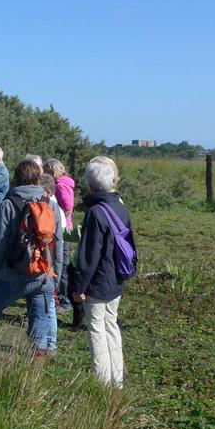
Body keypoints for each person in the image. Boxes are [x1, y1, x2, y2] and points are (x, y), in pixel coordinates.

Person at [0, 159, 63, 368]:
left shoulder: (9, 203)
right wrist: (56, 279)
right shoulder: (51, 203)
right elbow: (58, 245)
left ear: (16, 179)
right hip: (43, 276)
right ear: (38, 178)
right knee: (39, 334)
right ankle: (32, 381)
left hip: (12, 276)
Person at [69, 157, 136, 388]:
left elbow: (89, 256)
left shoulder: (95, 212)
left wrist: (79, 288)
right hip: (116, 279)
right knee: (111, 327)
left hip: (98, 284)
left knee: (97, 332)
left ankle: (102, 385)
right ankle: (116, 380)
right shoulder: (120, 205)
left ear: (90, 185)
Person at [38, 172, 66, 355]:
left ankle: (49, 344)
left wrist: (57, 275)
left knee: (47, 304)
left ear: (47, 191)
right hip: (45, 264)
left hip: (46, 265)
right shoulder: (53, 208)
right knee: (45, 304)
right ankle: (48, 344)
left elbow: (58, 244)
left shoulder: (52, 209)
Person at [44, 159, 74, 311]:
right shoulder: (65, 182)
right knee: (61, 263)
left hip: (61, 228)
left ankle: (64, 300)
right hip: (63, 226)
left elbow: (68, 206)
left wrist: (58, 216)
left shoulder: (61, 185)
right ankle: (60, 298)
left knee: (61, 264)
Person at [44, 159, 75, 231]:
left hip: (62, 226)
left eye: (45, 172)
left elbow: (68, 208)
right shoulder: (62, 184)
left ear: (52, 172)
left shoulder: (61, 186)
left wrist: (58, 220)